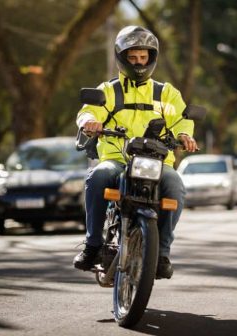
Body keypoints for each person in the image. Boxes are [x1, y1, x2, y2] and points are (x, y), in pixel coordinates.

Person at [73, 26, 198, 279]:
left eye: (143, 57)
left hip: (157, 162)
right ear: (122, 57)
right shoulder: (108, 90)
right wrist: (89, 122)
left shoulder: (167, 92)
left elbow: (182, 120)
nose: (139, 62)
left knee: (175, 185)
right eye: (133, 57)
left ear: (151, 58)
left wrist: (185, 135)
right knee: (97, 177)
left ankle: (161, 254)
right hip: (117, 159)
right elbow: (88, 111)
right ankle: (93, 245)